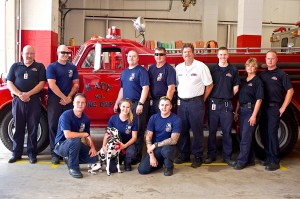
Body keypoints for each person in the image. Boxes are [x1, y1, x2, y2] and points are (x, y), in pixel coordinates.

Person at [174, 43, 213, 168]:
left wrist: (202, 99)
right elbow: (175, 85)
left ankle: (197, 156)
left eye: (189, 52)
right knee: (183, 130)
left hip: (196, 103)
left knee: (197, 130)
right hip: (182, 103)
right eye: (185, 52)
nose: (187, 54)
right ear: (182, 54)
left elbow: (210, 85)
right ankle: (184, 155)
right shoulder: (178, 68)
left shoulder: (201, 66)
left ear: (193, 53)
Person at [7, 45, 46, 164]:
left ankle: (31, 154)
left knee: (33, 128)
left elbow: (41, 83)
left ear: (34, 54)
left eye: (31, 53)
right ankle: (16, 153)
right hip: (18, 101)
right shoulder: (15, 66)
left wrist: (28, 94)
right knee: (18, 127)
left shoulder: (39, 67)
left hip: (33, 101)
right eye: (27, 53)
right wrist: (20, 94)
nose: (29, 56)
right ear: (22, 54)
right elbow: (9, 82)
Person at [259, 51, 294, 171]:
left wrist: (283, 107)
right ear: (265, 59)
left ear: (276, 59)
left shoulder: (281, 74)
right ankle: (268, 158)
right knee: (264, 134)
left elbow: (290, 91)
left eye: (272, 58)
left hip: (274, 108)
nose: (270, 60)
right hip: (263, 108)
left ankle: (275, 161)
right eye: (268, 58)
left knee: (272, 134)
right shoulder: (263, 75)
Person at [205, 46, 240, 166]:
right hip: (213, 104)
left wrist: (228, 95)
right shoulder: (212, 69)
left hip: (226, 105)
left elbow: (236, 87)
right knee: (212, 132)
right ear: (217, 55)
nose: (223, 57)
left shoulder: (233, 70)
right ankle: (211, 155)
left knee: (227, 132)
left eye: (225, 54)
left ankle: (227, 156)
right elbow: (207, 85)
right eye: (220, 54)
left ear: (228, 56)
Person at [113, 50, 150, 163]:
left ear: (138, 58)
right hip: (126, 105)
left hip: (137, 104)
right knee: (128, 129)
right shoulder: (124, 72)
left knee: (138, 130)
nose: (131, 58)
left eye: (134, 56)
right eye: (129, 56)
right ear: (127, 58)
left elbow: (146, 88)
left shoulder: (141, 71)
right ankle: (128, 153)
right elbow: (122, 89)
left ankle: (137, 156)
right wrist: (117, 102)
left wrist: (141, 104)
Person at [46, 45, 79, 164]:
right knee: (53, 125)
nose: (65, 55)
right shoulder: (51, 67)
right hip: (55, 99)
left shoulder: (72, 67)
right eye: (63, 52)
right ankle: (54, 153)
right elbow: (52, 85)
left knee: (68, 126)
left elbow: (76, 84)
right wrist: (64, 97)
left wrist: (69, 97)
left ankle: (65, 152)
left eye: (67, 53)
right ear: (57, 53)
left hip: (68, 99)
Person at [54, 93, 98, 178]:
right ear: (73, 103)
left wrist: (92, 147)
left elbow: (87, 136)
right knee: (76, 140)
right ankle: (73, 168)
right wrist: (84, 134)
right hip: (61, 145)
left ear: (85, 104)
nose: (80, 104)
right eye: (78, 102)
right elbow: (68, 135)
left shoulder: (86, 118)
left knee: (94, 158)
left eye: (83, 102)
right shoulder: (66, 115)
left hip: (75, 145)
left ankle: (70, 159)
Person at [138, 96, 181, 176]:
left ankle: (169, 167)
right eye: (162, 105)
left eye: (167, 105)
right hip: (156, 148)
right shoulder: (153, 118)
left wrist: (155, 145)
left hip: (171, 147)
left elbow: (173, 140)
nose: (164, 107)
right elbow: (148, 136)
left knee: (166, 150)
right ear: (158, 106)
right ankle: (160, 162)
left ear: (171, 106)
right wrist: (151, 155)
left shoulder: (176, 119)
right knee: (142, 170)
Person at [233, 58, 263, 170]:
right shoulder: (243, 81)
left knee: (245, 137)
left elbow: (259, 100)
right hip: (242, 111)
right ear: (245, 68)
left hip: (250, 111)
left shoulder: (257, 82)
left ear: (255, 68)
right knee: (244, 136)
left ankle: (241, 162)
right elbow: (240, 98)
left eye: (252, 66)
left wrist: (254, 115)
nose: (250, 68)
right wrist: (236, 111)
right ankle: (250, 159)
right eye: (248, 66)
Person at [103, 98, 138, 172]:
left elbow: (134, 137)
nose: (125, 109)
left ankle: (127, 163)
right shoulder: (113, 119)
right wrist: (104, 146)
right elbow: (107, 134)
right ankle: (118, 160)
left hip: (128, 144)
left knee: (131, 151)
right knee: (111, 169)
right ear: (119, 106)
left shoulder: (133, 120)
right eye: (123, 106)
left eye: (128, 107)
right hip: (116, 144)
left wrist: (124, 146)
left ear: (130, 108)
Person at [148, 47, 176, 115]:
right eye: (156, 54)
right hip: (153, 101)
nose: (158, 56)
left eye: (161, 54)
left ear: (165, 55)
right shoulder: (151, 68)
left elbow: (171, 89)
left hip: (163, 101)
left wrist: (165, 105)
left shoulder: (169, 69)